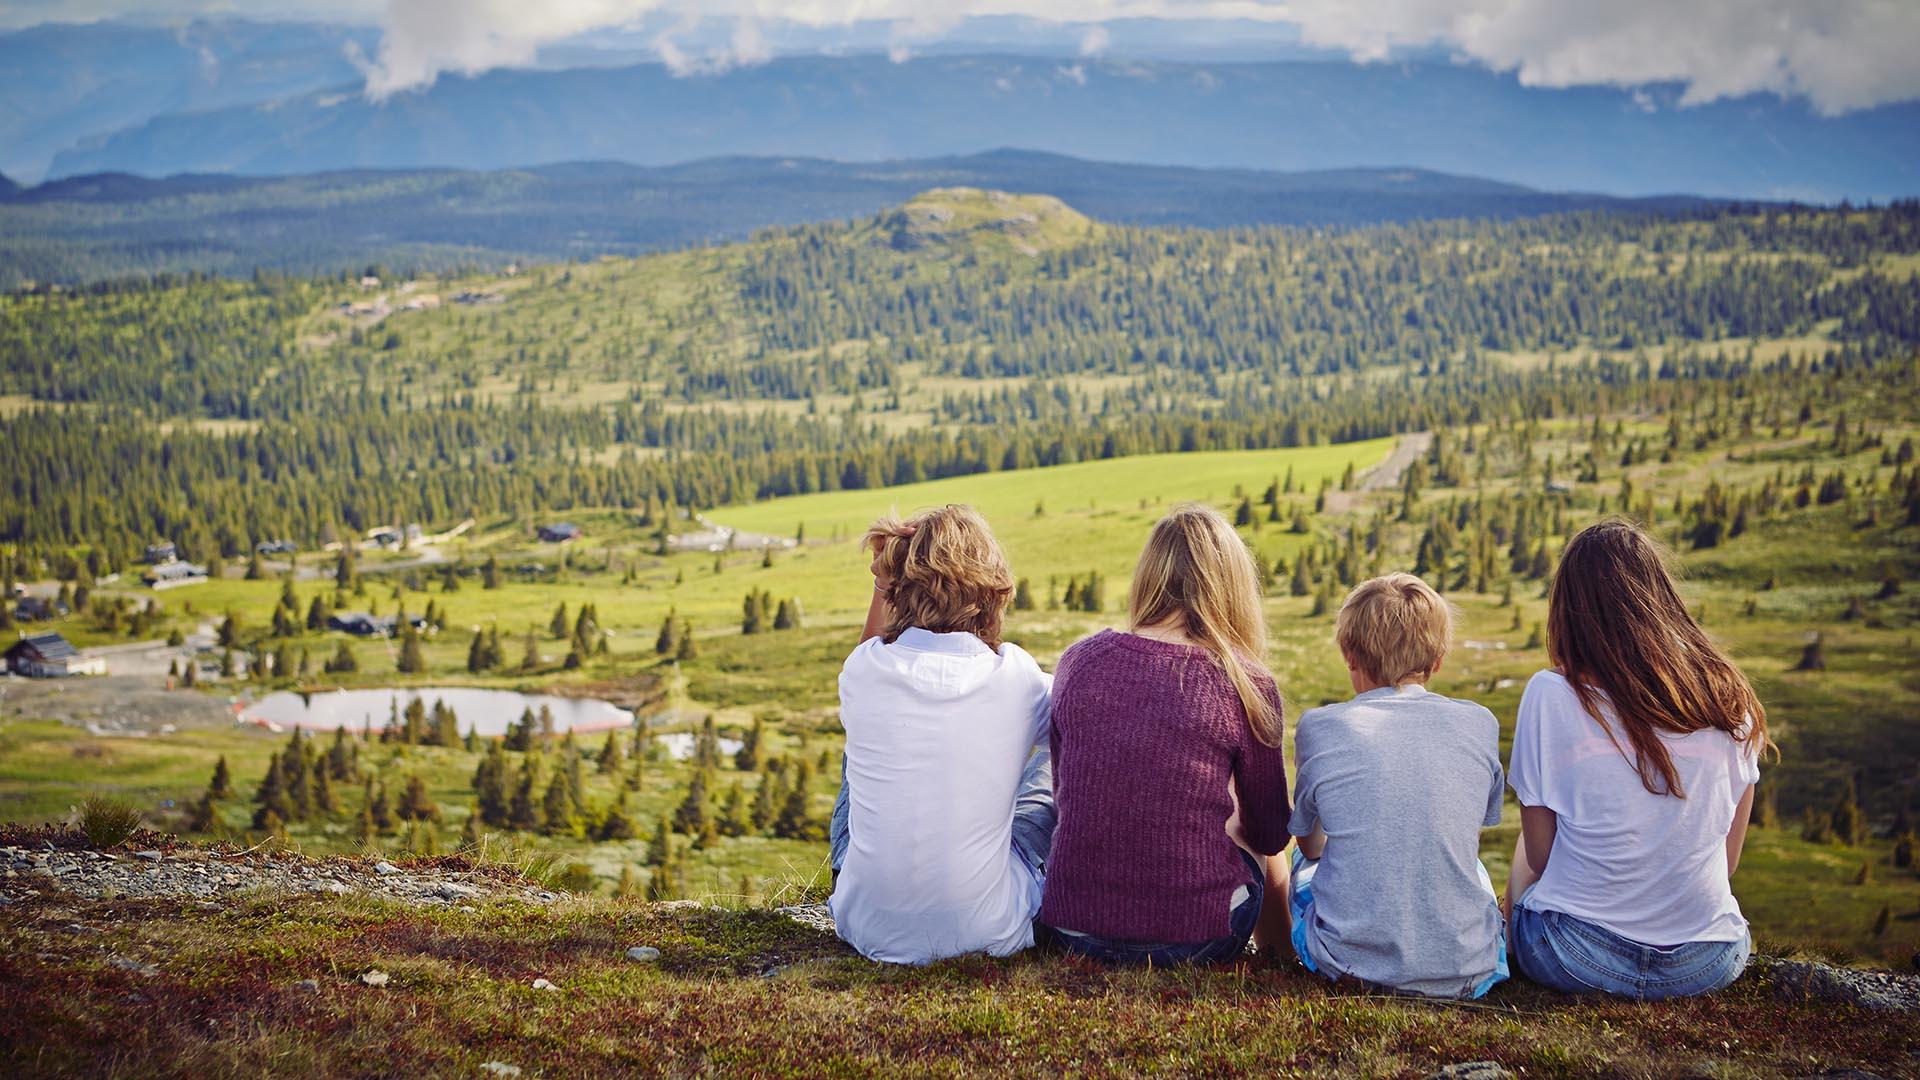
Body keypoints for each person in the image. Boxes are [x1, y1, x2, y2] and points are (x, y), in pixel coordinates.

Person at [1504, 518, 1773, 1000]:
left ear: (1570, 608)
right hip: (1706, 959)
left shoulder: (1552, 693)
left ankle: (1511, 953)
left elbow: (1541, 859)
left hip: (1574, 955)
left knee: (1525, 849)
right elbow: (1727, 864)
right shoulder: (1731, 698)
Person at [1038, 504, 1290, 965]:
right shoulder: (1246, 683)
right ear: (1232, 585)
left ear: (1149, 576)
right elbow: (1272, 834)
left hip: (1070, 929)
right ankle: (1280, 957)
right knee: (1250, 829)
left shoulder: (1080, 660)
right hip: (1193, 941)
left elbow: (1064, 794)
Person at [827, 504, 1055, 965]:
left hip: (864, 924)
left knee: (863, 749)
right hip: (988, 929)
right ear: (994, 590)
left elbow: (868, 654)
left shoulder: (864, 669)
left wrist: (881, 582)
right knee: (1055, 759)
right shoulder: (1017, 675)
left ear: (898, 589)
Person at [1285, 573, 1508, 998]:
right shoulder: (1480, 722)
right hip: (1469, 971)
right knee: (1474, 869)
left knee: (1302, 868)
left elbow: (1311, 848)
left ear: (1349, 655)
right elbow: (1465, 836)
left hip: (1346, 966)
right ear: (1438, 660)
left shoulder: (1319, 727)